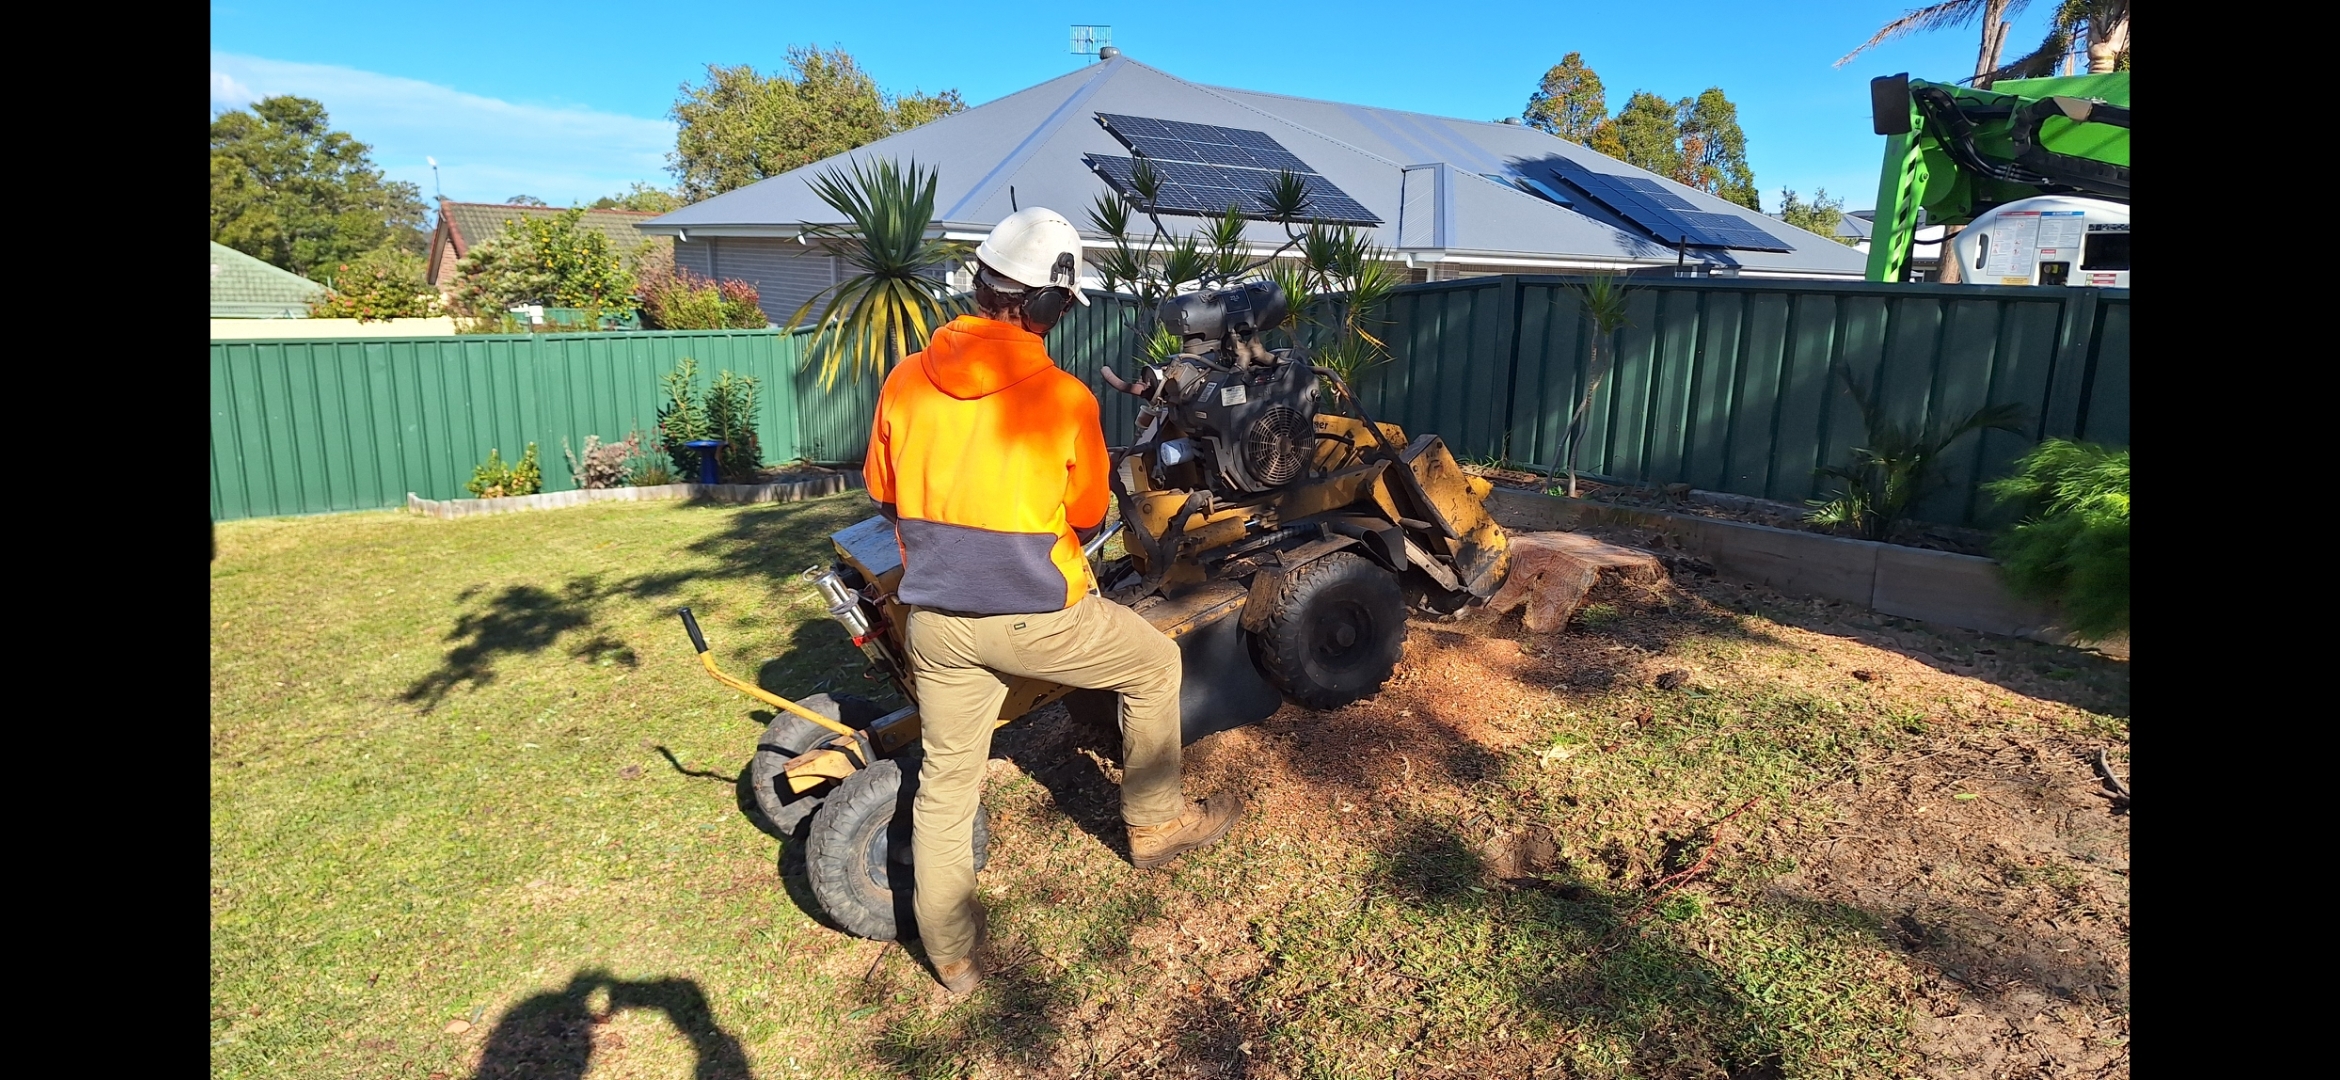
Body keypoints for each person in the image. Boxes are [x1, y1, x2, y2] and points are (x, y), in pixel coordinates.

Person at [862, 207, 1245, 997]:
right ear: (1044, 306)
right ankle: (1157, 822)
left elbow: (883, 492)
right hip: (1040, 616)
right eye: (1062, 307)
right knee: (1149, 665)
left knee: (946, 784)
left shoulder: (904, 379)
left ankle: (953, 955)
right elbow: (1084, 517)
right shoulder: (1062, 398)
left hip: (934, 622)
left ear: (981, 284)